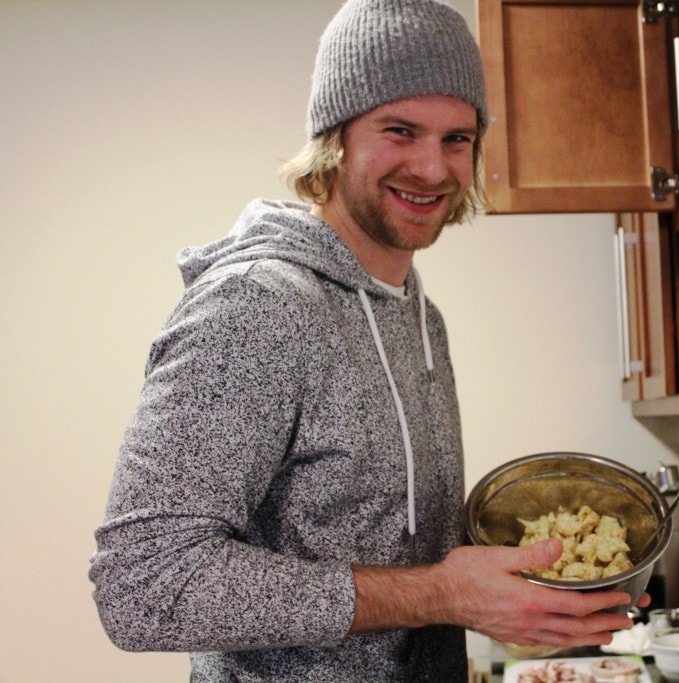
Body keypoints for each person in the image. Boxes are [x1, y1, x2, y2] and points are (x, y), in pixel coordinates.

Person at [89, 1, 641, 681]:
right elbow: (143, 584)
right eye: (400, 130)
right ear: (335, 137)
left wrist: (522, 577)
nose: (432, 169)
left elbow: (393, 541)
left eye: (457, 139)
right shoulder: (258, 306)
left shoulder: (419, 315)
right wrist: (441, 592)